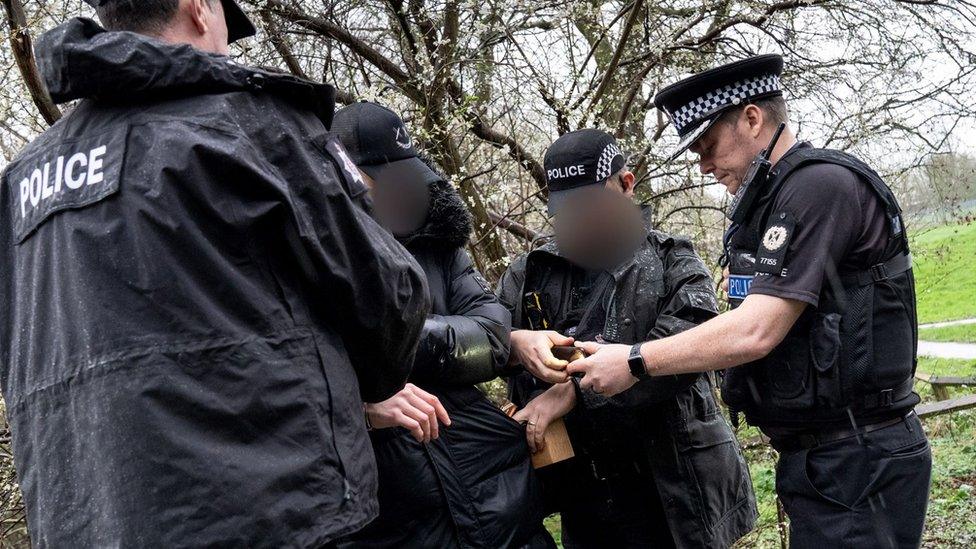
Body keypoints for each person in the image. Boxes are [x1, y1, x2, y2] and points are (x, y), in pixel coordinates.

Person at [0, 2, 430, 547]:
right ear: (198, 9)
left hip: (83, 521)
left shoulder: (21, 180)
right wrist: (368, 384)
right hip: (267, 511)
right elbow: (387, 298)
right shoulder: (249, 123)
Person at [566, 54, 930, 548]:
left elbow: (757, 329)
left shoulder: (819, 187)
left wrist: (633, 360)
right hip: (826, 457)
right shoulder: (769, 203)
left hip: (859, 457)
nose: (704, 164)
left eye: (708, 145)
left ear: (752, 118)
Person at [497, 128, 756, 548]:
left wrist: (577, 393)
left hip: (676, 488)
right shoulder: (530, 272)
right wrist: (516, 343)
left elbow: (693, 341)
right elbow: (483, 332)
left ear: (626, 184)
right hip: (588, 497)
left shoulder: (672, 257)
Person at [332, 102, 553, 549]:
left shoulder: (441, 248)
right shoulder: (317, 259)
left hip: (498, 505)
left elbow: (490, 336)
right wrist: (364, 408)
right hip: (396, 518)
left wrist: (386, 347)